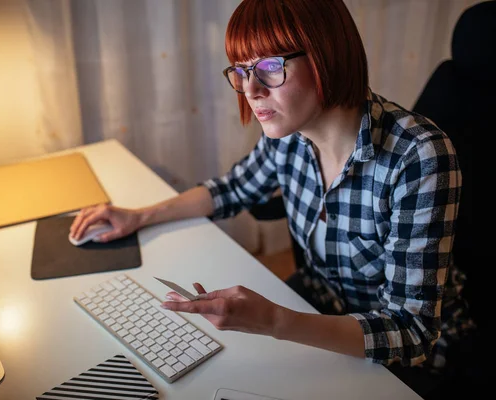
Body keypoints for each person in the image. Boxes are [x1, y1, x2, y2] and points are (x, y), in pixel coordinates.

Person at [70, 0, 474, 396]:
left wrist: (275, 321)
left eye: (270, 67)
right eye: (242, 71)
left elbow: (412, 331)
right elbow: (231, 189)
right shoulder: (290, 134)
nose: (250, 90)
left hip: (401, 360)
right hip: (318, 303)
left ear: (327, 56)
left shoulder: (418, 156)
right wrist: (138, 217)